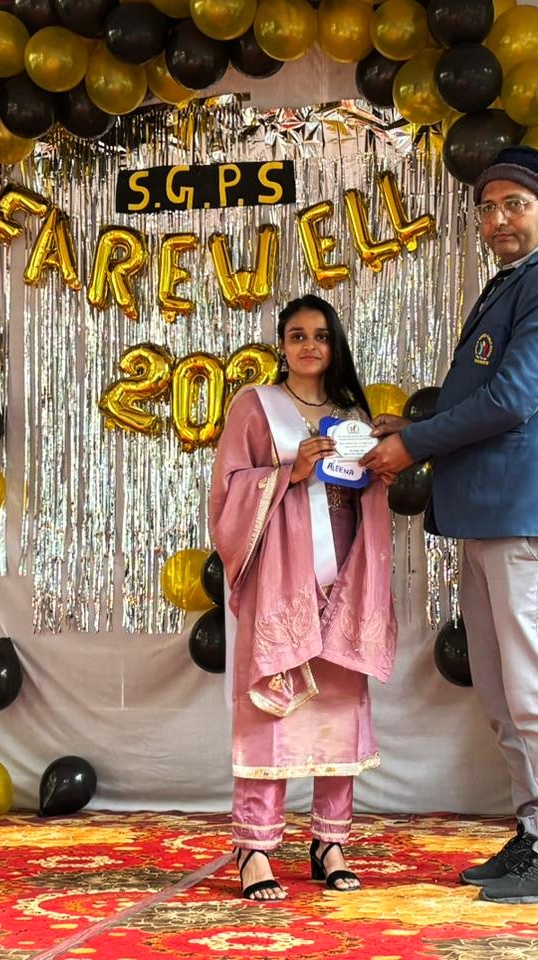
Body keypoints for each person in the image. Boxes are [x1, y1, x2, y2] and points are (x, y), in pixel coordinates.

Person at [361, 145, 538, 904]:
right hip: (490, 511)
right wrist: (413, 425)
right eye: (488, 208)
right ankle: (534, 832)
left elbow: (512, 400)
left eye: (515, 205)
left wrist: (412, 446)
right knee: (501, 692)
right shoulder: (516, 280)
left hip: (528, 510)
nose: (498, 220)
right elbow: (487, 395)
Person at [209, 294, 398, 901]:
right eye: (297, 335)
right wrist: (289, 473)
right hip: (282, 573)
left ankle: (329, 842)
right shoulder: (255, 405)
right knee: (272, 707)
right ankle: (255, 847)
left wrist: (378, 473)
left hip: (344, 573)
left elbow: (366, 493)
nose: (309, 345)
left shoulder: (351, 414)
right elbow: (227, 490)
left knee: (340, 704)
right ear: (282, 346)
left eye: (320, 335)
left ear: (334, 344)